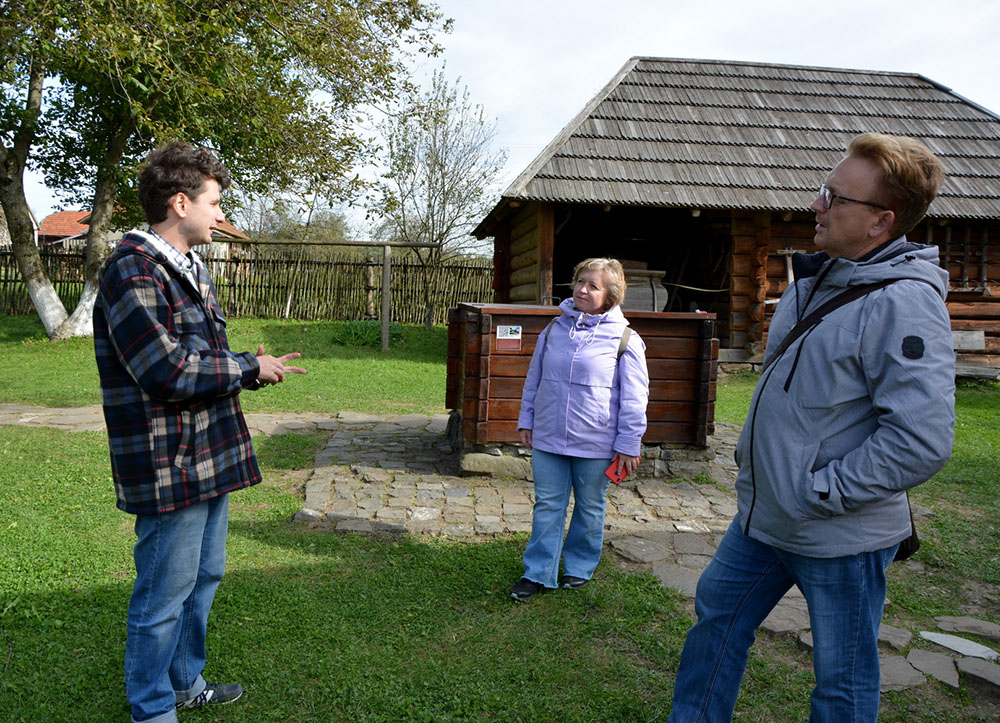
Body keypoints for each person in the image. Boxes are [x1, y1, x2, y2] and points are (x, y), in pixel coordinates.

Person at [668, 133, 956, 721]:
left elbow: (920, 440)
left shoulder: (903, 302)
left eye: (834, 196)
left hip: (837, 532)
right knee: (716, 619)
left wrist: (818, 490)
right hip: (765, 517)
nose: (816, 204)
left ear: (881, 222)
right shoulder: (814, 280)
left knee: (842, 679)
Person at [94, 141, 306, 723]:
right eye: (215, 202)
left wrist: (251, 367)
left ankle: (185, 683)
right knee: (163, 595)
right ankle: (153, 709)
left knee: (202, 578)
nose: (221, 215)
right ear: (181, 202)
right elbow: (163, 369)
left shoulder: (188, 268)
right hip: (168, 460)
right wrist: (243, 367)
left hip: (206, 453)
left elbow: (197, 357)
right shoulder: (132, 269)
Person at [510, 257, 649, 602]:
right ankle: (537, 573)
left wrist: (629, 443)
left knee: (590, 505)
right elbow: (534, 380)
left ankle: (578, 568)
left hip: (597, 443)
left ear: (611, 295)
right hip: (549, 438)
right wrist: (527, 419)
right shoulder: (554, 330)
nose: (583, 290)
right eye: (580, 282)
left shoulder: (625, 338)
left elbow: (635, 398)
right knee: (547, 505)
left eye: (593, 285)